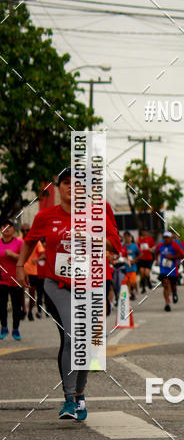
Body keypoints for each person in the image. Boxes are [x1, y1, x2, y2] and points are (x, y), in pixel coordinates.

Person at [16, 168, 122, 420]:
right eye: (66, 183)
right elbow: (30, 241)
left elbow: (115, 245)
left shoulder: (98, 211)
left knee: (88, 343)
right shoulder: (45, 216)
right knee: (73, 335)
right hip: (57, 284)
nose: (71, 188)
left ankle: (80, 393)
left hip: (93, 284)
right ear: (58, 188)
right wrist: (21, 266)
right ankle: (69, 399)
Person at [0, 219, 24, 340]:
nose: (7, 229)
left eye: (9, 227)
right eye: (4, 227)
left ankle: (16, 329)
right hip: (2, 280)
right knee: (2, 306)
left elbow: (24, 258)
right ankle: (3, 327)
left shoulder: (19, 243)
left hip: (16, 279)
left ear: (13, 230)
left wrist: (13, 255)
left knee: (16, 306)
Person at [154, 230, 183, 311]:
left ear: (171, 238)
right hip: (163, 269)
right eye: (164, 238)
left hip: (173, 269)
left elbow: (182, 255)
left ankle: (174, 293)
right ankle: (167, 303)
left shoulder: (175, 245)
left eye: (167, 238)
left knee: (173, 286)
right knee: (165, 285)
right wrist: (156, 260)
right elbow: (156, 253)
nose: (166, 239)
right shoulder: (160, 245)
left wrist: (172, 257)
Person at [24, 238, 46, 320]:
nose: (25, 232)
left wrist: (37, 259)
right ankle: (24, 310)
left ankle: (30, 312)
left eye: (27, 231)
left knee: (33, 294)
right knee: (19, 293)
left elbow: (43, 254)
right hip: (21, 271)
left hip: (33, 273)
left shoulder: (37, 243)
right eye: (23, 230)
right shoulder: (19, 241)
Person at [137, 228, 155, 293]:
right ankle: (143, 287)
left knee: (146, 273)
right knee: (142, 273)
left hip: (148, 258)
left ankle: (149, 282)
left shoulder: (150, 239)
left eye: (146, 231)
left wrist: (151, 249)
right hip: (141, 258)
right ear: (141, 232)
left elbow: (154, 246)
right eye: (143, 231)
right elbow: (137, 247)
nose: (144, 232)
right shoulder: (138, 239)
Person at [123, 231, 139, 301]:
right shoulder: (122, 246)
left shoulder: (134, 246)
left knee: (132, 282)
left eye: (128, 237)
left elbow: (140, 254)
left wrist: (134, 260)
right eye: (125, 237)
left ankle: (135, 289)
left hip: (132, 267)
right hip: (124, 268)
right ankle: (128, 295)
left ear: (130, 238)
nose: (127, 238)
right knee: (126, 283)